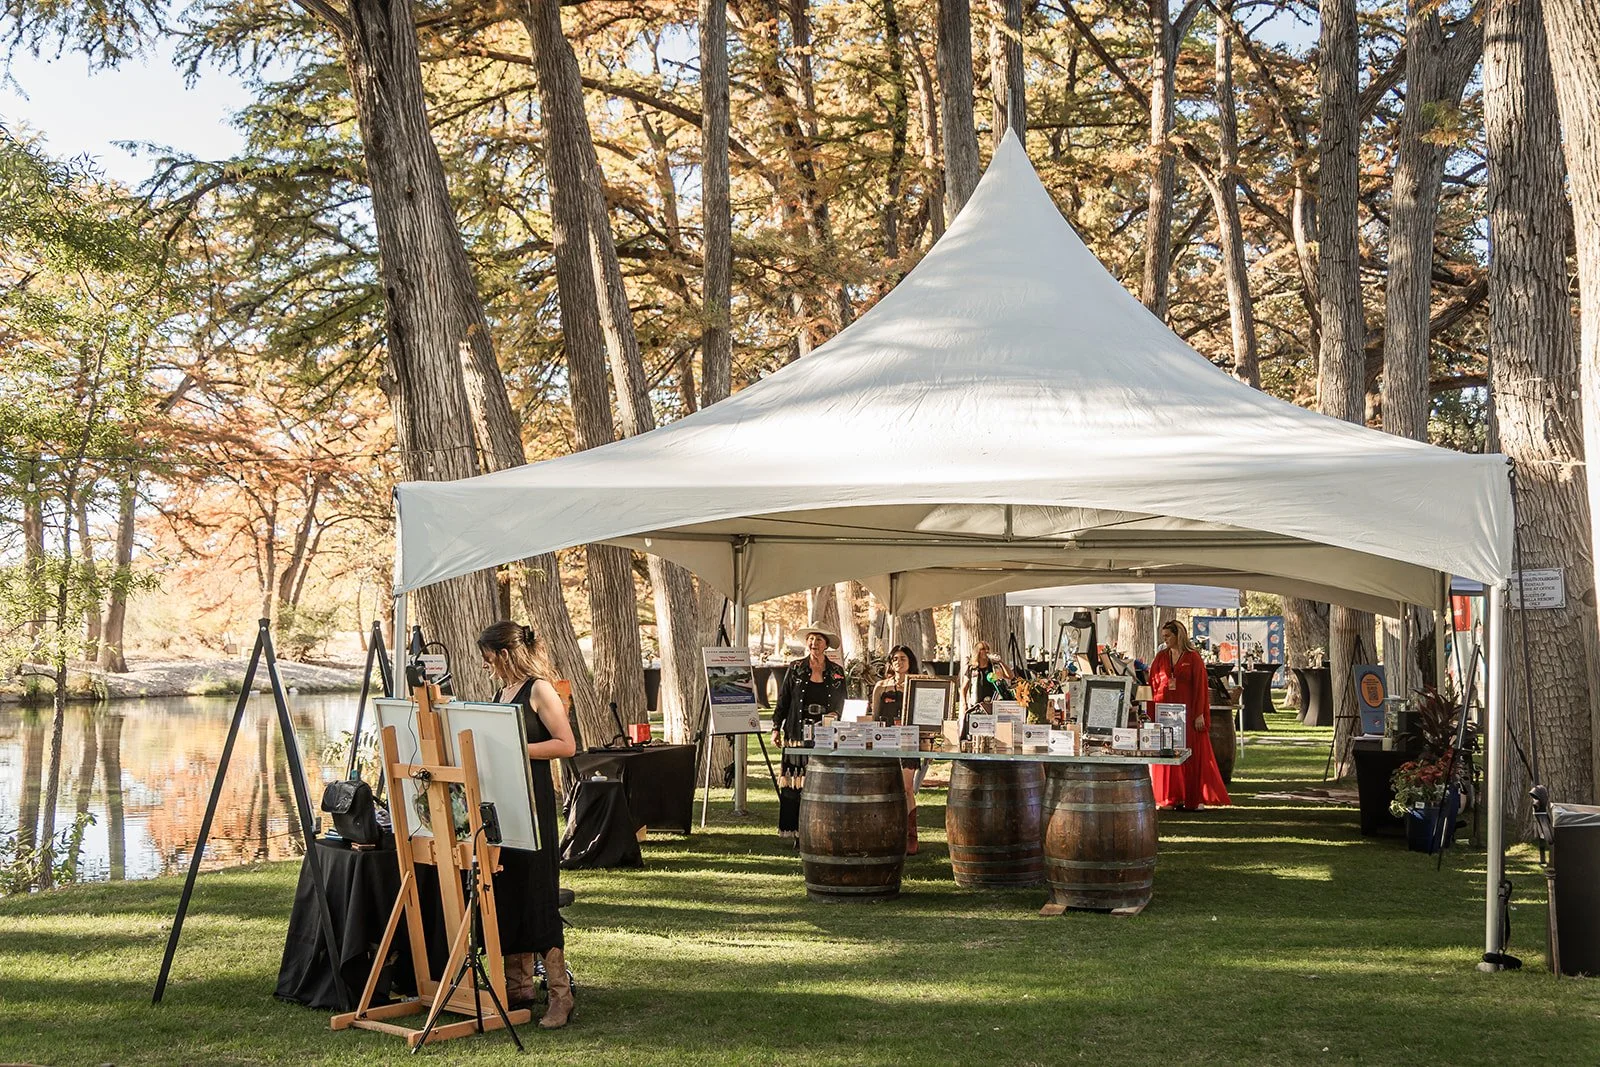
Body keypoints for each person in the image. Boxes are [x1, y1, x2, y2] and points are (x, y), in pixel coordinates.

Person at [477, 620, 578, 1028]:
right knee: (508, 889)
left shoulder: (540, 688)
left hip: (533, 806)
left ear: (504, 654)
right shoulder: (499, 692)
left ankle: (559, 994)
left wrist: (517, 746)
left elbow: (566, 744)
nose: (486, 667)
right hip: (503, 806)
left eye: (488, 659)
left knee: (537, 893)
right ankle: (517, 986)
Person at [771, 622, 847, 840]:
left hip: (826, 735)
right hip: (796, 734)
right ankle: (794, 831)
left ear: (826, 645)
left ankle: (821, 829)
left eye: (819, 640)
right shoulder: (795, 668)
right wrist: (776, 727)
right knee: (794, 781)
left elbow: (843, 702)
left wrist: (838, 719)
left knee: (823, 782)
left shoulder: (837, 672)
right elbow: (784, 700)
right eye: (811, 639)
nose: (814, 643)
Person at [1147, 619, 1230, 811]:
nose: (1165, 639)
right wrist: (1151, 712)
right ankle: (1169, 796)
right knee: (1166, 752)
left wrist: (1200, 713)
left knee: (1191, 754)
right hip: (1164, 712)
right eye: (1164, 636)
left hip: (1188, 713)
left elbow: (1200, 686)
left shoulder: (1193, 658)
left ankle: (1193, 798)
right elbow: (1152, 683)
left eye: (1168, 636)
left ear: (1179, 635)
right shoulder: (1161, 657)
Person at [870, 644, 924, 854]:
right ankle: (888, 832)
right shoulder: (881, 686)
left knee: (907, 787)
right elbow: (874, 716)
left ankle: (911, 835)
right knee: (886, 788)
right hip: (885, 741)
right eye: (895, 659)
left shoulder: (917, 685)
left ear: (910, 661)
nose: (898, 662)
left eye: (903, 658)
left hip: (909, 742)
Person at [965, 639, 1014, 705]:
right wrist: (964, 704)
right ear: (977, 652)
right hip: (977, 705)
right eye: (983, 649)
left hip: (995, 703)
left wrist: (1000, 662)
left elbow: (1010, 676)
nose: (986, 651)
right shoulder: (972, 669)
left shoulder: (994, 667)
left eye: (987, 649)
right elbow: (964, 688)